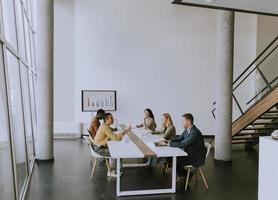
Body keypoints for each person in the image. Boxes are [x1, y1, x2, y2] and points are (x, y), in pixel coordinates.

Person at [160, 113, 206, 178]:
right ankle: (186, 174)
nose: (181, 123)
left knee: (176, 162)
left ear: (188, 121)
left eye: (183, 121)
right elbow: (179, 138)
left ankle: (185, 175)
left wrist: (168, 144)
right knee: (169, 159)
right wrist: (169, 141)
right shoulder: (187, 130)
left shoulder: (194, 133)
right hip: (189, 153)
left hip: (195, 157)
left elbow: (182, 144)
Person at [93, 113, 131, 177]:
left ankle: (114, 169)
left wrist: (118, 133)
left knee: (116, 149)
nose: (113, 119)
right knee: (116, 152)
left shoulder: (104, 125)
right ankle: (111, 171)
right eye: (111, 118)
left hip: (97, 147)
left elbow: (111, 133)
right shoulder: (106, 128)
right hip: (99, 149)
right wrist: (125, 131)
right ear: (106, 119)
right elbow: (116, 138)